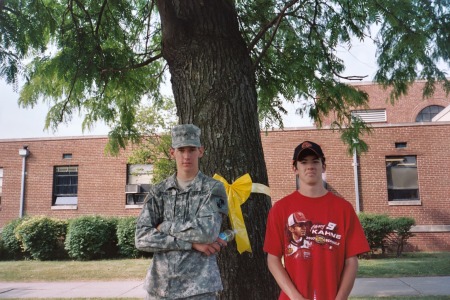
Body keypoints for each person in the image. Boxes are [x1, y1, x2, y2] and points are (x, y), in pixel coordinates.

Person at [264, 141, 370, 300]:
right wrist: (295, 297)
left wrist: (340, 298)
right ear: (295, 168)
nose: (310, 166)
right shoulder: (280, 209)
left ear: (323, 166)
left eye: (315, 161)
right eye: (303, 162)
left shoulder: (344, 209)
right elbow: (273, 259)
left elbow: (351, 262)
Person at [135, 124, 228, 300]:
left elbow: (208, 232)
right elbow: (141, 237)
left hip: (199, 289)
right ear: (172, 152)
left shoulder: (213, 189)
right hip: (160, 289)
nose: (186, 156)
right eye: (181, 150)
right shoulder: (159, 191)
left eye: (192, 149)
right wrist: (191, 244)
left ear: (201, 151)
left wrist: (164, 226)